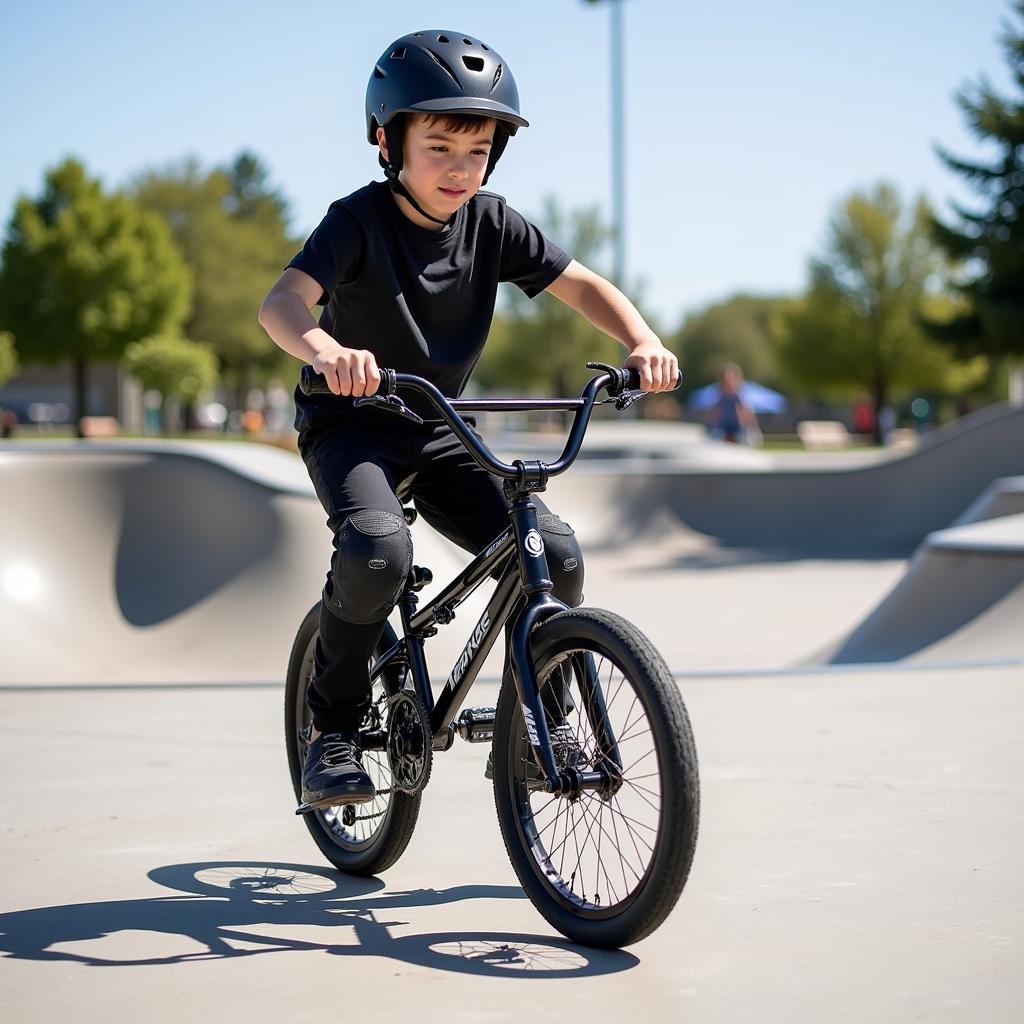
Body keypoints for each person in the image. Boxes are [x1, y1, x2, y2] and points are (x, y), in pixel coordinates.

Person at [258, 30, 679, 810]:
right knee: (379, 552)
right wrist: (323, 349)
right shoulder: (356, 222)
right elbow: (280, 303)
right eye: (440, 146)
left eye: (478, 151)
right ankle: (333, 730)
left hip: (439, 424)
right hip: (351, 425)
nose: (460, 168)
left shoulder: (492, 223)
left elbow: (581, 285)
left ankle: (533, 729)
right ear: (388, 141)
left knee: (550, 549)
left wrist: (642, 340)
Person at [710, 363, 756, 444]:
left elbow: (744, 409)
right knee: (723, 443)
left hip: (735, 424)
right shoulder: (722, 395)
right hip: (724, 424)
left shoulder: (738, 395)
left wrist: (749, 423)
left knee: (735, 443)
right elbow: (715, 409)